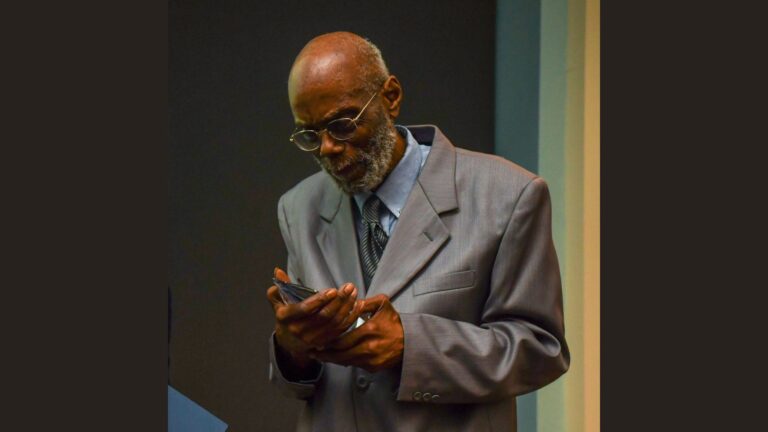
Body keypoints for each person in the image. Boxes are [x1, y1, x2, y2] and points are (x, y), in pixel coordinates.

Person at [265, 31, 569, 432]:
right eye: (309, 134)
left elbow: (540, 350)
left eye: (341, 124)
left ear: (390, 97)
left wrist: (413, 346)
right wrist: (292, 348)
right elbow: (303, 382)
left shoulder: (509, 195)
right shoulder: (298, 207)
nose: (327, 149)